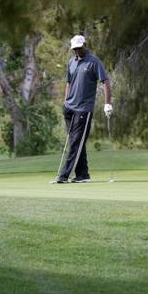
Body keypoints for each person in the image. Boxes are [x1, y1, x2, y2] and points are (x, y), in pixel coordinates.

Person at [52, 34, 112, 184]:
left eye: (79, 48)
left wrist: (107, 103)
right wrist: (65, 102)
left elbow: (105, 81)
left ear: (85, 45)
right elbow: (68, 83)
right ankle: (82, 174)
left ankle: (63, 176)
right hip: (69, 108)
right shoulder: (71, 62)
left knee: (75, 142)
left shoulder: (94, 61)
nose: (77, 51)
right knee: (76, 141)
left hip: (83, 109)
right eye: (75, 49)